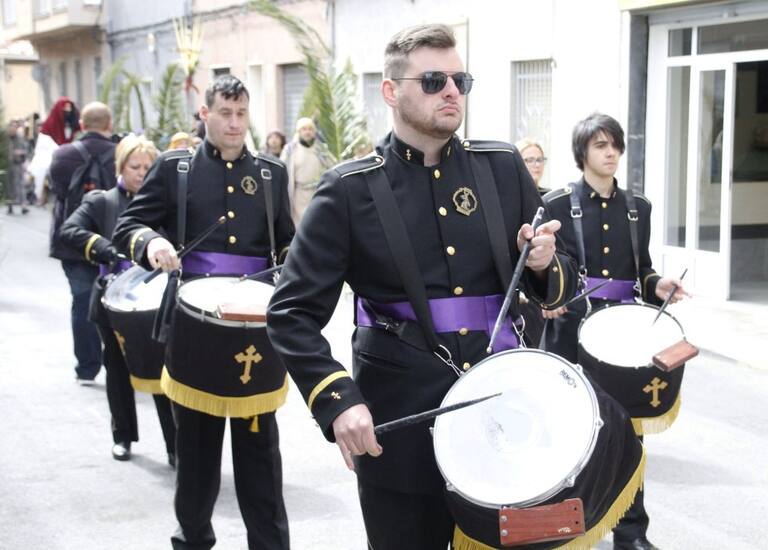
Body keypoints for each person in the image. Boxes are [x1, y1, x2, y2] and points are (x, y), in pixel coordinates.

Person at [267, 24, 579, 550]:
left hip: (505, 416)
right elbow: (290, 313)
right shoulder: (348, 191)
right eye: (434, 81)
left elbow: (559, 283)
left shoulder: (502, 167)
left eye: (460, 80)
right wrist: (338, 400)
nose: (452, 91)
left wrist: (546, 262)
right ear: (391, 91)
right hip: (401, 427)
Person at [113, 75, 293, 550]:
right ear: (205, 113)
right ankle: (192, 540)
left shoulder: (271, 174)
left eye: (241, 114)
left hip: (255, 331)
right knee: (195, 457)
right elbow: (129, 225)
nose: (234, 123)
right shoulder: (175, 168)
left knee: (261, 460)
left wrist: (294, 268)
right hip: (196, 331)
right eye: (225, 113)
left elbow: (288, 243)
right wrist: (152, 242)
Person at [541, 113, 689, 550]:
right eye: (600, 145)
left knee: (630, 432)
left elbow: (643, 271)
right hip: (571, 335)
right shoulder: (555, 204)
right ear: (582, 152)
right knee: (571, 435)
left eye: (615, 145)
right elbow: (544, 273)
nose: (611, 153)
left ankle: (632, 533)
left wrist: (658, 285)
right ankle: (565, 532)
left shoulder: (638, 207)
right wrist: (547, 299)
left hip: (625, 337)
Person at [59, 134, 176, 463]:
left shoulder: (164, 204)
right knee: (117, 368)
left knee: (163, 372)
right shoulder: (103, 202)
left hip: (156, 300)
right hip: (114, 299)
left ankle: (174, 445)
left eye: (147, 167)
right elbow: (70, 230)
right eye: (134, 166)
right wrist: (104, 247)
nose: (141, 173)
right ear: (120, 167)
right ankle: (122, 436)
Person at [49, 102, 117, 384]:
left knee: (81, 300)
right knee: (116, 301)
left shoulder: (63, 155)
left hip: (73, 242)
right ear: (109, 124)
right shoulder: (120, 153)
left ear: (81, 124)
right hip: (111, 239)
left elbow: (57, 191)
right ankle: (120, 362)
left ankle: (87, 367)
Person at [280, 117, 334, 226]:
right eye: (304, 129)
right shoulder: (290, 150)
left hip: (319, 194)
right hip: (298, 196)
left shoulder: (321, 149)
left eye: (310, 129)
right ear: (299, 131)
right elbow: (281, 170)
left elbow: (333, 167)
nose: (307, 132)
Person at [28, 98, 80, 204]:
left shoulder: (74, 125)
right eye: (65, 108)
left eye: (69, 108)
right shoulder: (49, 127)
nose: (68, 111)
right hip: (56, 170)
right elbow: (43, 155)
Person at [7, 120, 30, 214]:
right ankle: (10, 205)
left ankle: (23, 206)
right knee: (9, 185)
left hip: (18, 164)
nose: (13, 129)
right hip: (8, 166)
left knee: (21, 185)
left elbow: (26, 151)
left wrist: (20, 152)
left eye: (15, 127)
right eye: (11, 126)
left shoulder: (20, 139)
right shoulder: (5, 139)